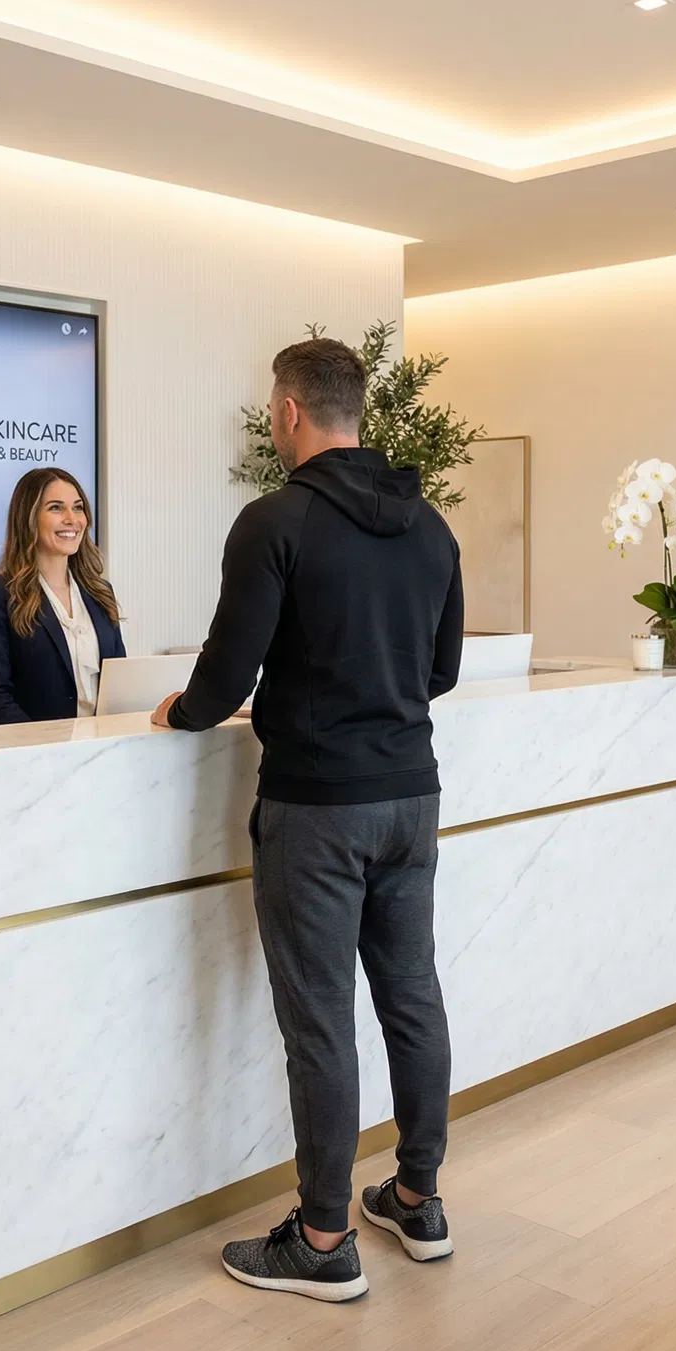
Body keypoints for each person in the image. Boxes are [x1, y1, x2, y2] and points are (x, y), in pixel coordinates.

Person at [152, 337, 465, 1302]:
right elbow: (442, 671)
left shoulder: (273, 521)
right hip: (412, 793)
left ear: (287, 412)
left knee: (322, 1021)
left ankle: (325, 1240)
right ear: (357, 410)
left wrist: (179, 713)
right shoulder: (431, 527)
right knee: (409, 992)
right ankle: (415, 1198)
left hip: (319, 809)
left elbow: (224, 677)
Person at [0, 467, 124, 724]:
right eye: (55, 508)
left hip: (103, 751)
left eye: (77, 507)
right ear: (28, 518)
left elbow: (119, 685)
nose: (72, 519)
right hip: (40, 756)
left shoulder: (100, 593)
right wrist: (46, 752)